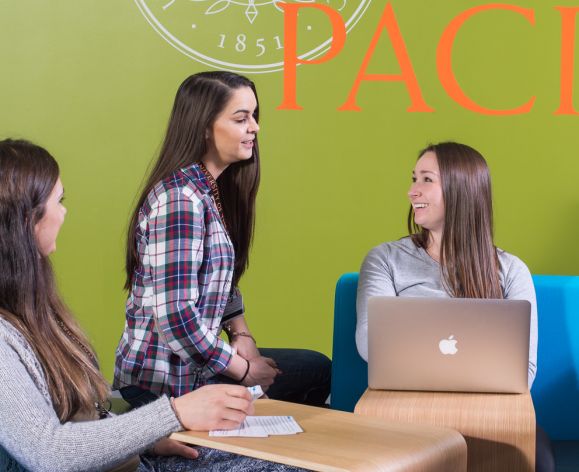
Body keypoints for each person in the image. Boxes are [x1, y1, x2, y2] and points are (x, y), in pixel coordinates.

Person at [0, 138, 305, 472]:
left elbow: (83, 418)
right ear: (27, 219)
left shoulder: (33, 310)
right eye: (59, 200)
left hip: (138, 455)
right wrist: (172, 414)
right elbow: (49, 453)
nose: (65, 211)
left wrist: (147, 438)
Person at [114, 72, 330, 409]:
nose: (255, 127)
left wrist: (242, 335)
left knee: (314, 368)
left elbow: (218, 282)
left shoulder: (209, 190)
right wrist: (243, 370)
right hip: (163, 384)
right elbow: (176, 318)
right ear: (203, 127)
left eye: (254, 116)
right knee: (314, 373)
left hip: (194, 370)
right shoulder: (181, 200)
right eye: (241, 118)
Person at [355, 141, 554, 472]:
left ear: (461, 190)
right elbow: (369, 344)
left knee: (537, 459)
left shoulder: (511, 269)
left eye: (426, 180)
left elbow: (524, 372)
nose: (411, 191)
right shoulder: (384, 259)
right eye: (414, 179)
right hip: (406, 414)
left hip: (490, 415)